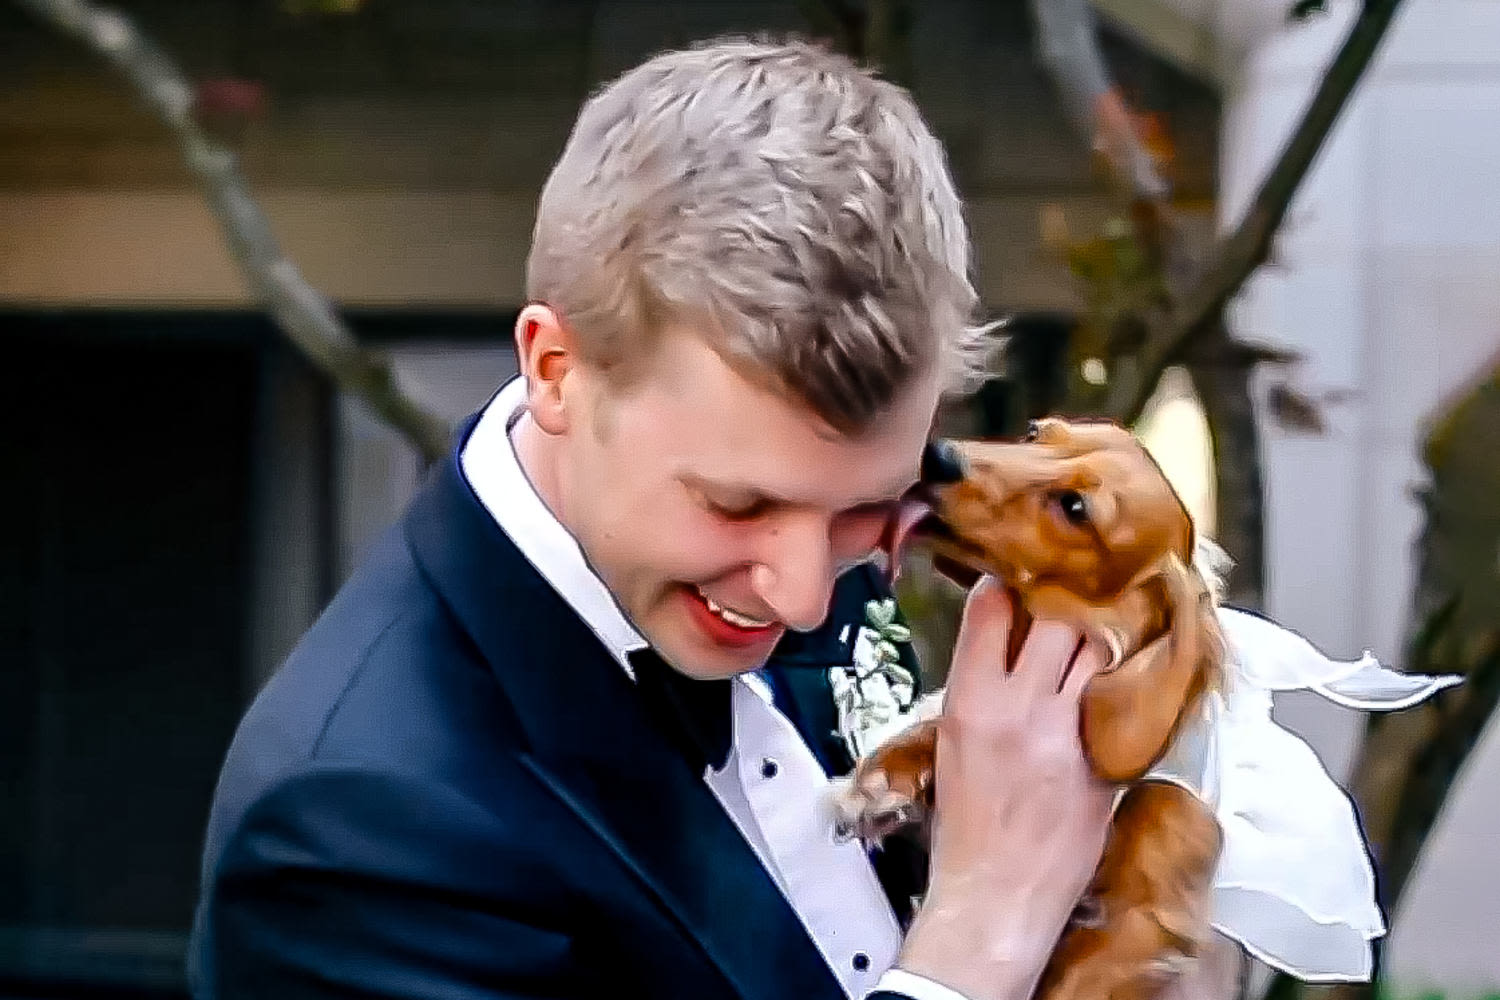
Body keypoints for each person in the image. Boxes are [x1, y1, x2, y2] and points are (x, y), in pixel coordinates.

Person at [187, 38, 1115, 1000]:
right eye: (735, 504)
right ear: (556, 370)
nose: (802, 600)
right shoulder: (356, 827)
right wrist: (987, 932)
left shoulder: (786, 575)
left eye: (867, 509)